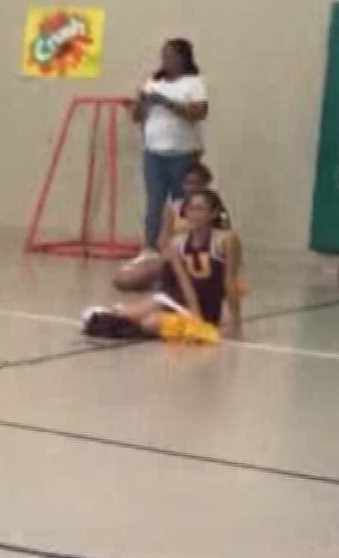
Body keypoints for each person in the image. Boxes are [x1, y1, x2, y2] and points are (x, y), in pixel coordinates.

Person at [83, 188, 244, 342]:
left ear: (213, 213)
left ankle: (121, 320)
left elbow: (229, 282)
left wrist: (236, 324)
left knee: (150, 324)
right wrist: (195, 316)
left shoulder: (225, 239)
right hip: (178, 300)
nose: (195, 214)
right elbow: (185, 283)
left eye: (200, 209)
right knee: (131, 318)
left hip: (209, 304)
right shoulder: (178, 243)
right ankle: (111, 316)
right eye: (191, 209)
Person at [132, 38, 208, 252]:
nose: (167, 61)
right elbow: (137, 117)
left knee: (183, 202)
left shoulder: (194, 83)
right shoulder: (154, 82)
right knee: (154, 203)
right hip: (154, 153)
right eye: (165, 56)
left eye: (172, 56)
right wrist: (141, 102)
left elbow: (198, 113)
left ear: (184, 59)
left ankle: (186, 247)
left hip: (182, 154)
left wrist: (166, 102)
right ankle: (150, 246)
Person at [115, 162, 213, 292]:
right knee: (124, 278)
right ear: (182, 184)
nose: (193, 188)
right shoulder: (173, 208)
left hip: (200, 259)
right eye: (189, 183)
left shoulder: (212, 209)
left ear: (205, 185)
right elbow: (163, 241)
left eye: (198, 184)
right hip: (173, 256)